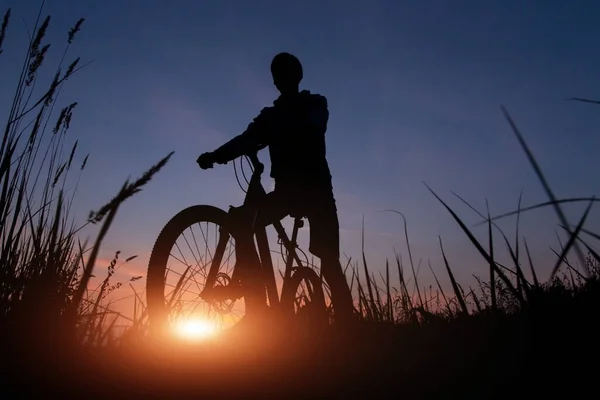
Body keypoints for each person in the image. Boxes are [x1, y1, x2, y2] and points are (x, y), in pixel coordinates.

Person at [196, 52, 355, 326]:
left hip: (317, 192)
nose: (283, 78)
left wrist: (276, 129)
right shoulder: (270, 116)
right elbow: (246, 139)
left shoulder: (314, 103)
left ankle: (349, 325)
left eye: (287, 72)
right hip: (286, 193)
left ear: (297, 76)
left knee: (328, 258)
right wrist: (216, 155)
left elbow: (316, 126)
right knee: (244, 220)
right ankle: (256, 305)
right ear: (275, 81)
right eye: (279, 74)